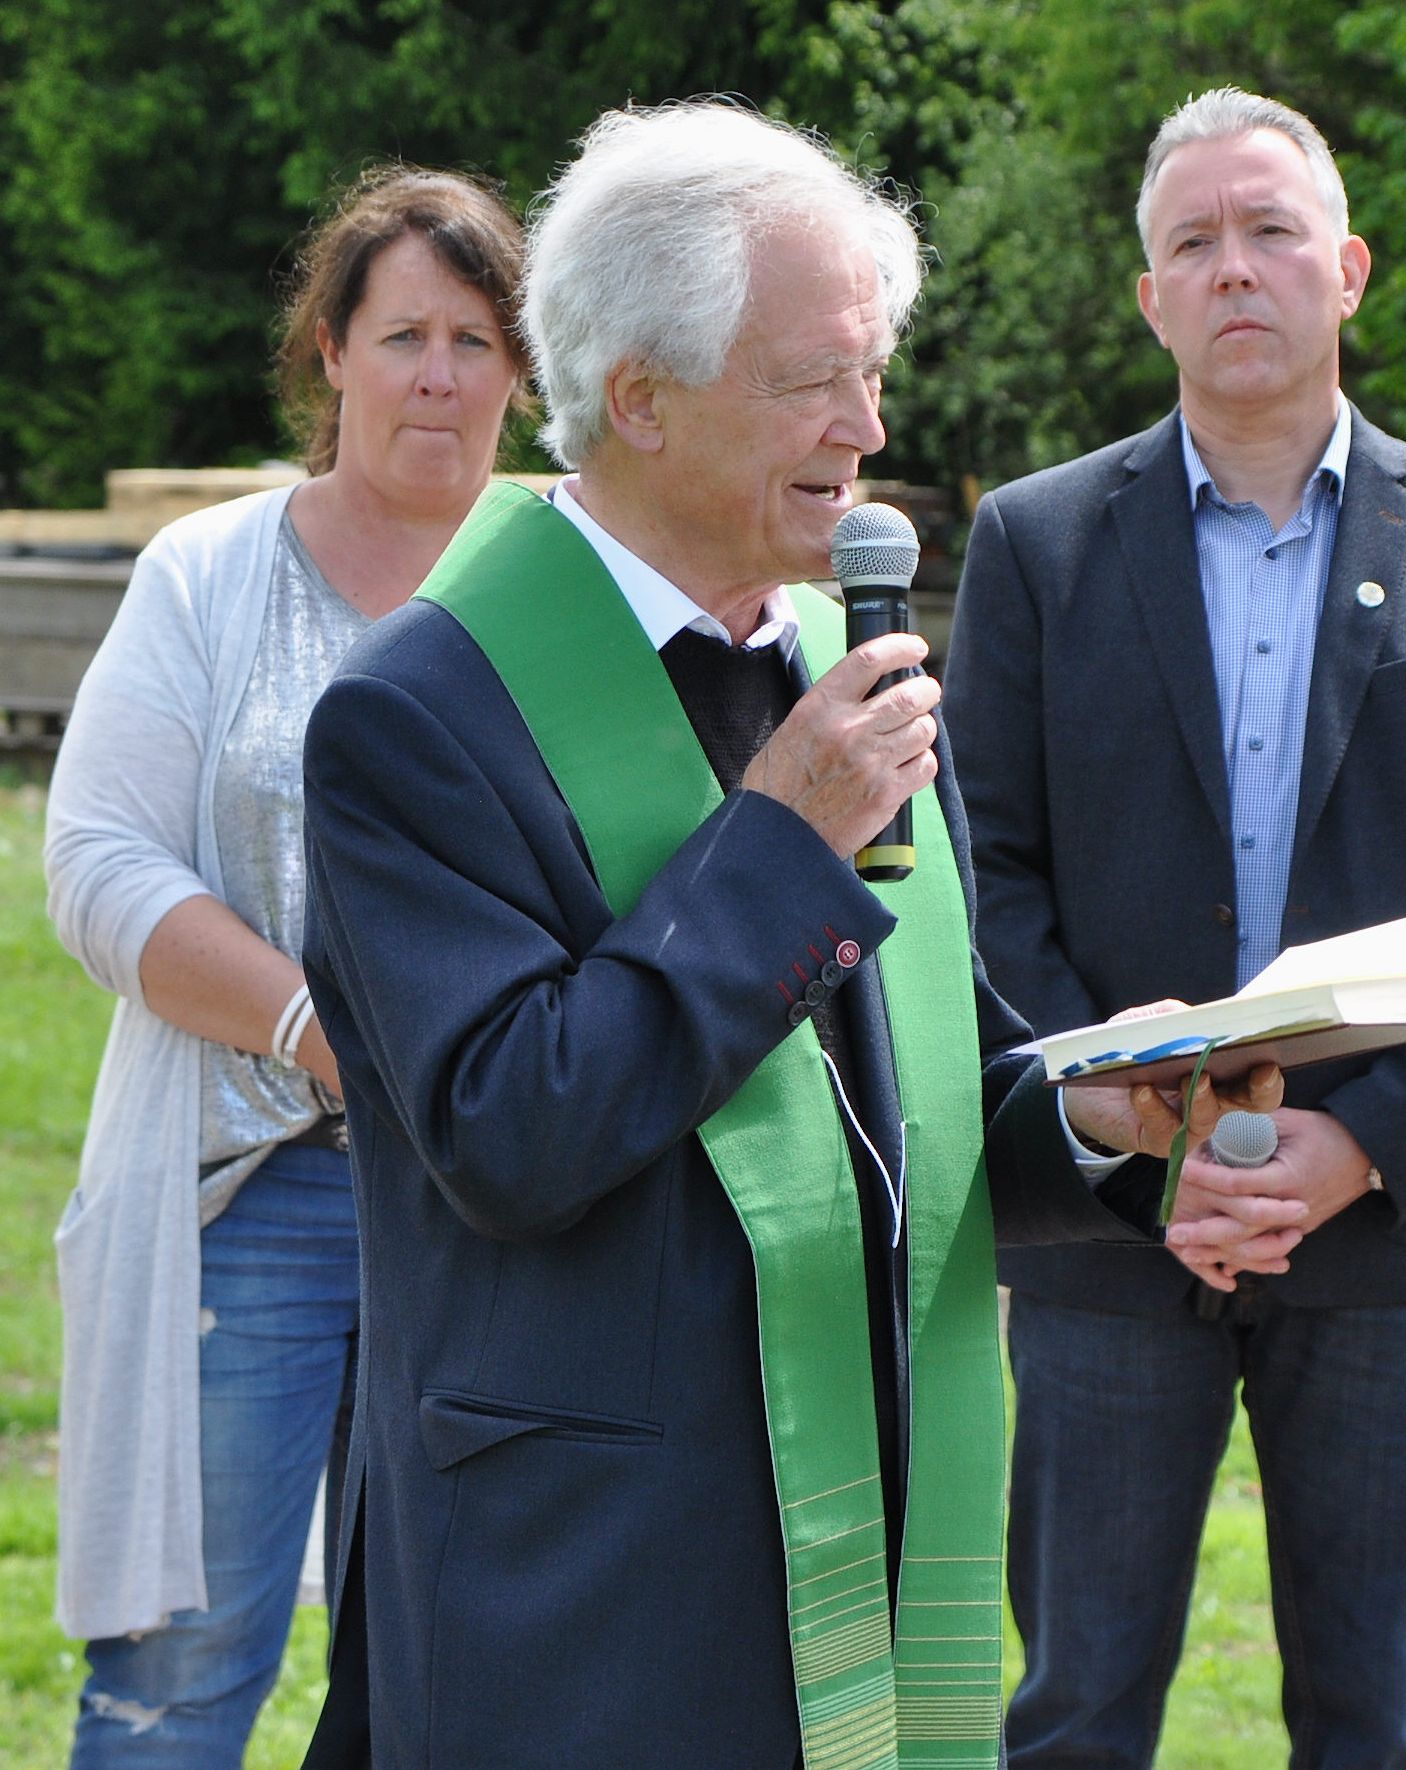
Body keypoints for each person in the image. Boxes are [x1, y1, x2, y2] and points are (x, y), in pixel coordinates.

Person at [294, 100, 1292, 1770]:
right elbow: (515, 1131)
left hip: (862, 1504)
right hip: (593, 1580)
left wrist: (1097, 1111)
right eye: (814, 378)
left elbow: (912, 1097)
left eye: (873, 371)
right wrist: (776, 840)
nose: (867, 426)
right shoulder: (418, 713)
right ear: (639, 397)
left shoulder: (845, 663)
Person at [943, 87, 1406, 1769]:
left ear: (1345, 269)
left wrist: (1349, 1149)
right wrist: (1143, 1129)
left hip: (1377, 1225)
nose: (1234, 267)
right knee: (1074, 1717)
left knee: (1372, 1722)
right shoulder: (1033, 544)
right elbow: (985, 870)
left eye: (1270, 231)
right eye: (1193, 242)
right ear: (1148, 296)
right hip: (1108, 1230)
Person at [43, 164, 534, 1767]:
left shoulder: (570, 586)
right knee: (182, 1680)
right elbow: (100, 863)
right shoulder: (207, 573)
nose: (439, 376)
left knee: (463, 1674)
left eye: (475, 339)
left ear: (521, 370)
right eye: (402, 335)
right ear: (330, 352)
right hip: (252, 1200)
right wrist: (324, 1028)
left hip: (499, 1214)